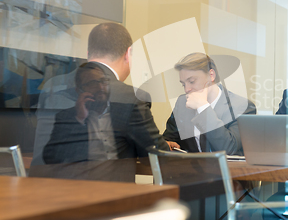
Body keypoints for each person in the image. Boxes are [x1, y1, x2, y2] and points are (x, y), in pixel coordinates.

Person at [42, 23, 170, 165]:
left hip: (51, 185)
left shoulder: (51, 87)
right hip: (109, 186)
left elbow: (48, 155)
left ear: (88, 53)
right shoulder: (131, 98)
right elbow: (159, 158)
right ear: (128, 54)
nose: (100, 88)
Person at [163, 53, 256, 155]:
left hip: (227, 170)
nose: (187, 89)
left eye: (192, 81)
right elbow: (169, 140)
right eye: (183, 84)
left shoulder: (242, 107)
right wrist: (167, 144)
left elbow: (229, 148)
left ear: (211, 75)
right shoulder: (182, 103)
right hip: (190, 169)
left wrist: (203, 107)